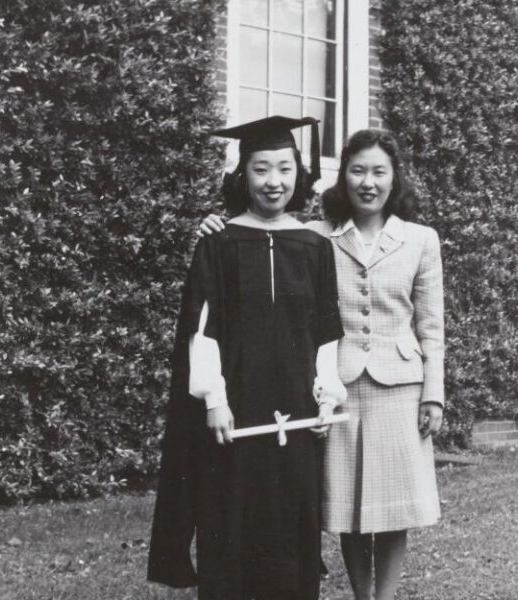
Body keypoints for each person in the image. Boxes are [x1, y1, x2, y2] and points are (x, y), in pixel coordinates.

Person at [199, 129, 444, 600]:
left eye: (378, 172)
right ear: (342, 178)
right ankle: (360, 594)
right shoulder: (316, 236)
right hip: (340, 385)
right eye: (357, 171)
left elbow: (432, 326)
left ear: (395, 180)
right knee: (352, 504)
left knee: (392, 508)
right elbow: (263, 231)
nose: (367, 182)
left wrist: (434, 392)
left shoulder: (420, 240)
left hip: (400, 385)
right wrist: (215, 225)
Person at [148, 116, 347, 600]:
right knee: (229, 516)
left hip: (296, 410)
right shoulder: (217, 243)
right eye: (261, 169)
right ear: (243, 176)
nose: (273, 181)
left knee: (288, 523)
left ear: (299, 173)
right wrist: (214, 399)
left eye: (284, 168)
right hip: (235, 410)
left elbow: (325, 333)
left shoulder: (316, 247)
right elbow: (203, 329)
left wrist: (326, 397)